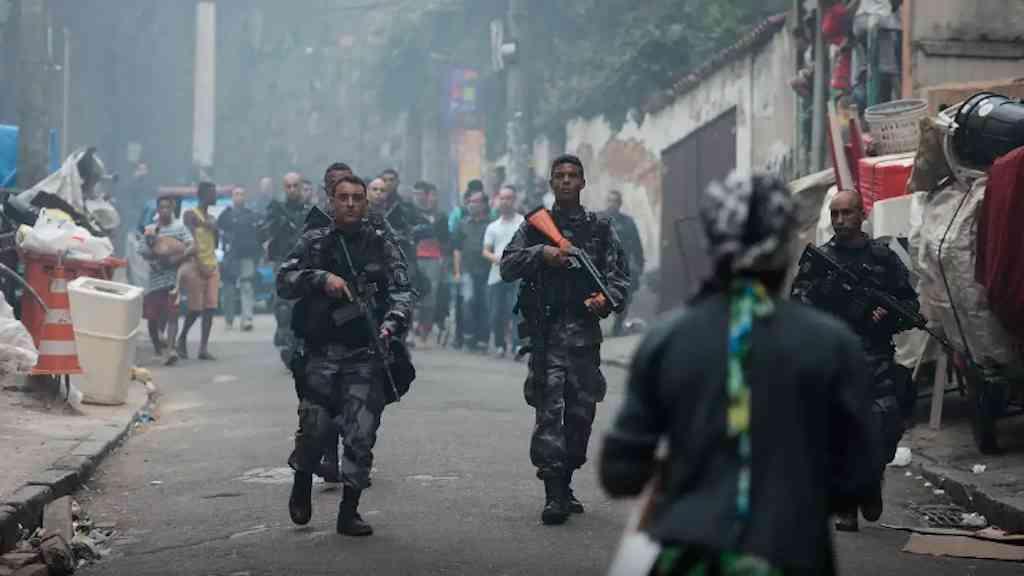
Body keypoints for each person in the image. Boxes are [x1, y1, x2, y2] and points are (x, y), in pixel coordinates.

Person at [599, 173, 876, 575]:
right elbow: (859, 479)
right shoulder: (833, 345)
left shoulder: (666, 341)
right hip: (793, 556)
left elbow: (620, 473)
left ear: (712, 244)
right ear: (786, 246)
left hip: (688, 555)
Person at [279, 174, 414, 537]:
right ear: (331, 201)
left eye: (358, 198)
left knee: (361, 434)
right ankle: (303, 477)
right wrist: (321, 279)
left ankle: (349, 510)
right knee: (315, 429)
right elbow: (283, 281)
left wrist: (390, 326)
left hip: (365, 353)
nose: (351, 204)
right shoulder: (313, 241)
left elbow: (403, 292)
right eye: (344, 198)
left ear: (365, 203)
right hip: (321, 353)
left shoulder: (382, 244)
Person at [500, 154, 629, 525]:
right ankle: (553, 491)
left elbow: (619, 276)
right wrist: (544, 253)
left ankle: (567, 479)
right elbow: (507, 265)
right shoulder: (536, 227)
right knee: (549, 412)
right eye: (560, 176)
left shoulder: (600, 228)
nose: (567, 181)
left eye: (574, 176)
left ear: (584, 183)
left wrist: (606, 299)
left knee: (580, 415)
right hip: (547, 335)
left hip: (585, 337)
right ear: (552, 183)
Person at [790, 188, 918, 532]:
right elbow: (797, 306)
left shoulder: (883, 258)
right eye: (834, 214)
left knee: (885, 427)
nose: (839, 220)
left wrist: (885, 314)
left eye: (846, 213)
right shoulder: (819, 259)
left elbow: (910, 306)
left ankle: (871, 479)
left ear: (863, 214)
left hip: (875, 354)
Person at [265, 172, 313, 366]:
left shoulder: (311, 212)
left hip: (305, 264)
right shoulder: (276, 210)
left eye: (296, 186)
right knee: (284, 307)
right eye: (289, 186)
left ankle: (298, 345)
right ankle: (287, 344)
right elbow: (264, 233)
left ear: (301, 187)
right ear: (284, 188)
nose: (292, 190)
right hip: (283, 263)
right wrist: (275, 226)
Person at [139, 195, 193, 366]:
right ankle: (157, 349)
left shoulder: (179, 228)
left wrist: (175, 258)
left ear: (172, 209)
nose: (164, 210)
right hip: (155, 280)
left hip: (172, 279)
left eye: (167, 207)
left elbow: (192, 246)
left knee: (172, 315)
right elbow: (142, 250)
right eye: (161, 207)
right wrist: (154, 252)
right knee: (152, 318)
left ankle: (170, 350)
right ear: (157, 210)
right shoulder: (151, 229)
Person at [178, 181, 221, 361]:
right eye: (212, 193)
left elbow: (216, 244)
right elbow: (190, 241)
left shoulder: (212, 218)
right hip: (196, 264)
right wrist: (198, 262)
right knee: (195, 309)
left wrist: (215, 229)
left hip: (212, 264)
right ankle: (182, 338)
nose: (215, 196)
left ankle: (203, 348)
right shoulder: (190, 215)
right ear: (203, 195)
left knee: (210, 309)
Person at [483, 185, 524, 358]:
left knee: (516, 311)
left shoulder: (523, 223)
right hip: (496, 275)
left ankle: (516, 345)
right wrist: (498, 259)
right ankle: (500, 345)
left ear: (514, 201)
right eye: (502, 198)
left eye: (509, 198)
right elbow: (485, 251)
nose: (505, 201)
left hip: (517, 274)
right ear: (498, 201)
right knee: (496, 312)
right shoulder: (493, 227)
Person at [453, 188, 493, 352]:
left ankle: (482, 338)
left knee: (484, 304)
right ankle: (468, 336)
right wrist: (457, 271)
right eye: (470, 202)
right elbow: (457, 249)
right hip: (467, 270)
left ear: (484, 204)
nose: (472, 205)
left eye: (476, 202)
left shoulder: (491, 224)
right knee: (468, 301)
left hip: (487, 270)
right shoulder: (463, 224)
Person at [218, 187, 262, 332]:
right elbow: (218, 233)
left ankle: (247, 319)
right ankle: (229, 320)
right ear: (232, 197)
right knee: (228, 289)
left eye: (242, 194)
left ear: (245, 197)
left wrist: (258, 255)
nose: (239, 197)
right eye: (236, 194)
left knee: (247, 287)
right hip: (231, 257)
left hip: (247, 256)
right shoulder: (226, 215)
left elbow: (258, 236)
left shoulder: (251, 215)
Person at [603, 189, 646, 336]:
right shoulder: (599, 220)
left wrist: (639, 265)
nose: (612, 204)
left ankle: (617, 326)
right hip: (602, 266)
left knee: (625, 297)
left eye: (615, 201)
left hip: (623, 266)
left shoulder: (628, 222)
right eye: (609, 201)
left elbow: (636, 245)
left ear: (619, 204)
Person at [412, 180, 449, 344]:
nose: (420, 197)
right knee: (414, 292)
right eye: (417, 194)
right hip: (416, 257)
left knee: (431, 294)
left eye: (422, 194)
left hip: (434, 258)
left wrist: (443, 257)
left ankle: (425, 327)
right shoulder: (413, 213)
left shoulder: (441, 216)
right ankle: (414, 325)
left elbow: (445, 238)